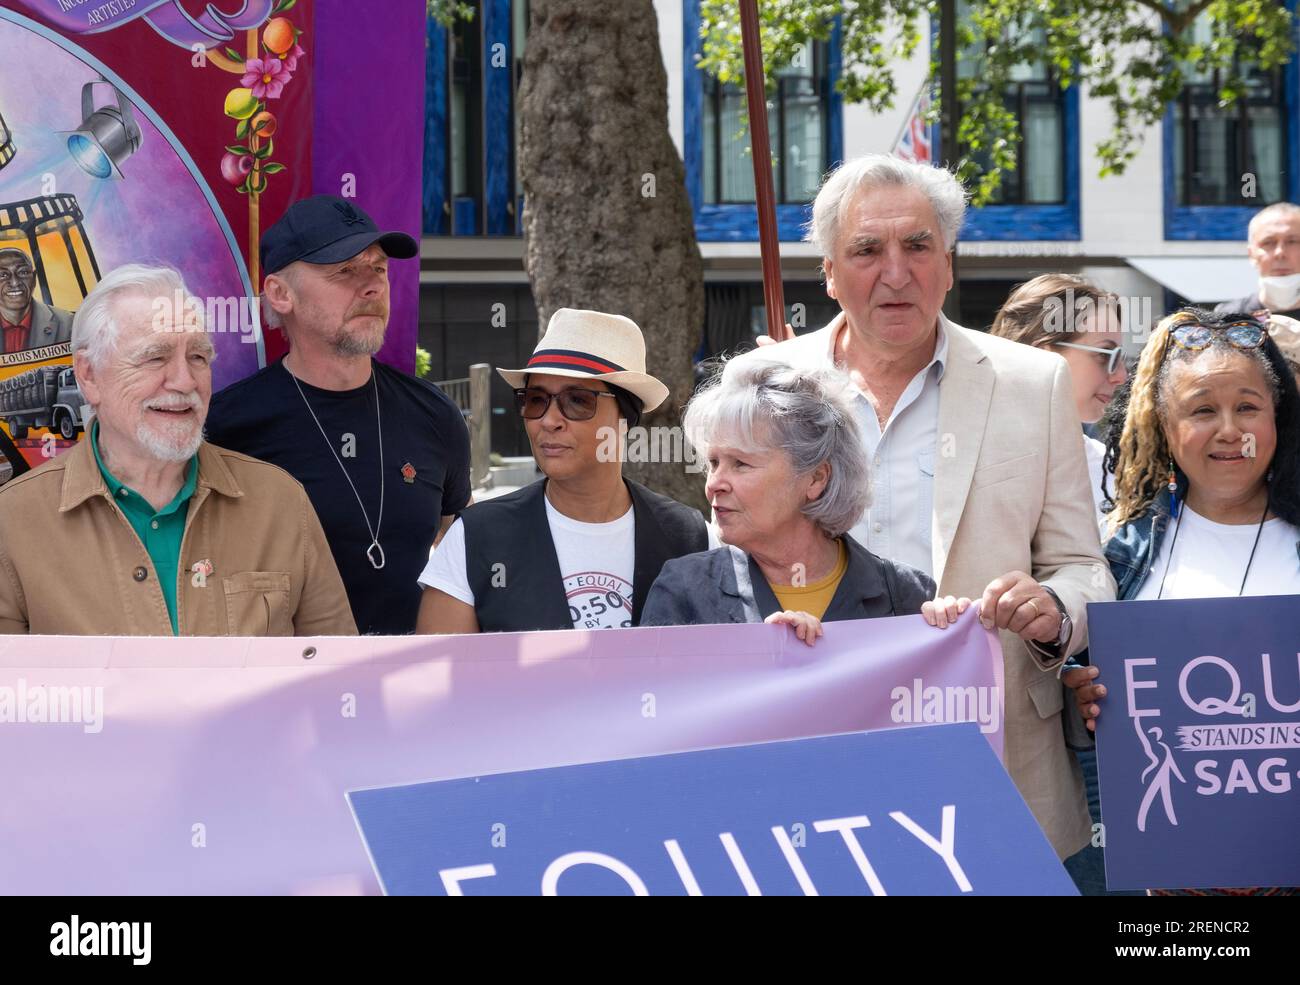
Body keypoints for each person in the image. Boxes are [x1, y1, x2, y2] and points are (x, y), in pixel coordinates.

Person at [743, 153, 1116, 861]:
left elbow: (1083, 566)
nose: (896, 271)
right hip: (816, 767)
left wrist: (1055, 609)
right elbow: (728, 568)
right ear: (828, 271)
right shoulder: (768, 386)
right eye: (866, 250)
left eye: (918, 246)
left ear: (948, 262)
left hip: (1003, 770)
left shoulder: (1033, 385)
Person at [1068, 307, 1300, 896]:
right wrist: (1083, 702)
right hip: (1174, 892)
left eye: (1248, 407)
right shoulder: (1113, 557)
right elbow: (1081, 710)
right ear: (1164, 427)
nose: (1229, 429)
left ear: (1278, 419)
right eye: (1202, 410)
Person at [0, 264, 356, 636]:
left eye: (198, 357)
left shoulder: (279, 503)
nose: (185, 381)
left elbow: (335, 678)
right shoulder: (14, 521)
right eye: (155, 357)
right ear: (89, 375)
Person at [206, 196, 470, 635]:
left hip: (410, 686)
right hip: (282, 689)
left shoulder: (434, 414)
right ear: (280, 293)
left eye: (379, 268)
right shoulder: (227, 428)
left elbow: (461, 547)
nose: (372, 286)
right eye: (345, 270)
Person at [416, 308, 710, 634]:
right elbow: (440, 678)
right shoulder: (473, 537)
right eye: (535, 399)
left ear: (625, 420)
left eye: (578, 401)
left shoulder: (692, 537)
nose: (549, 420)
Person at [641, 356, 935, 636]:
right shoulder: (684, 589)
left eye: (740, 464)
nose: (714, 483)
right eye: (714, 463)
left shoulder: (907, 596)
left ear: (816, 478)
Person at [990, 273, 1130, 521]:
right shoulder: (966, 459)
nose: (1120, 375)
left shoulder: (1111, 471)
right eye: (1105, 355)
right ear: (1042, 356)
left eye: (1121, 357)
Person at [1215, 202, 1300, 321]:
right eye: (1268, 242)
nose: (1280, 253)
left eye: (1292, 241)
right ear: (1251, 254)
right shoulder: (1228, 318)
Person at [0, 248, 73, 353]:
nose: (15, 283)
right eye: (2, 275)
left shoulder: (67, 324)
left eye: (23, 272)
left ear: (34, 279)